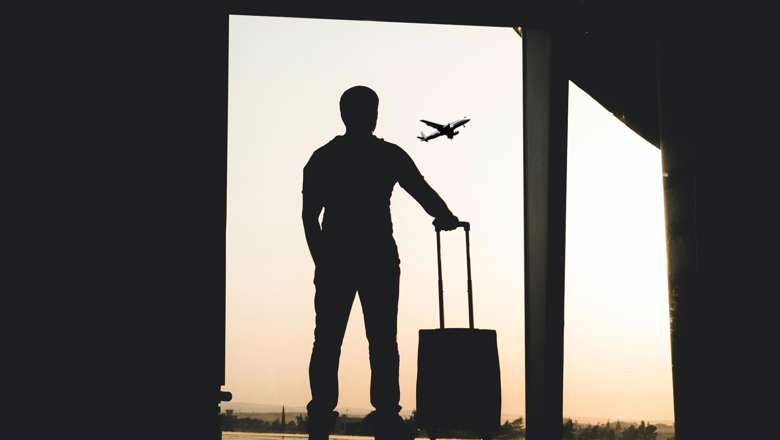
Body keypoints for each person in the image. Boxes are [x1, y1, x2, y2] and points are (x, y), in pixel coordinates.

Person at [302, 85, 460, 440]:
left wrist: (322, 260)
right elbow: (421, 190)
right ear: (372, 114)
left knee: (327, 339)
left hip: (338, 257)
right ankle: (386, 412)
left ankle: (322, 413)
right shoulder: (388, 155)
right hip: (377, 256)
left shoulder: (323, 157)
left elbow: (309, 217)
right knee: (383, 339)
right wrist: (446, 216)